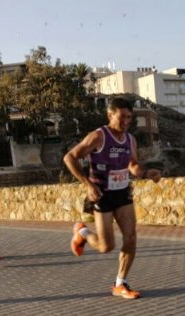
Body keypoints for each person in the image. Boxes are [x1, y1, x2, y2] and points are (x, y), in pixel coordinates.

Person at [63, 97, 161, 299]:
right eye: (122, 117)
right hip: (102, 195)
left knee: (131, 237)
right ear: (110, 114)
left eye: (129, 117)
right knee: (106, 246)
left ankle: (120, 283)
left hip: (123, 193)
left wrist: (145, 173)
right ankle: (82, 232)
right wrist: (87, 184)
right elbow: (70, 157)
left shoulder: (130, 140)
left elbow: (132, 164)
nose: (126, 121)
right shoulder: (98, 136)